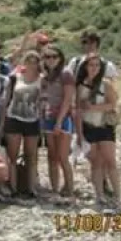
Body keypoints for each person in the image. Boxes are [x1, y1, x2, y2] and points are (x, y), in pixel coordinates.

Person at [75, 53, 121, 206]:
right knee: (96, 162)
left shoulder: (105, 84)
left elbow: (112, 104)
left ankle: (117, 195)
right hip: (88, 126)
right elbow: (78, 111)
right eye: (91, 65)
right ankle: (99, 195)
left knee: (110, 160)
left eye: (97, 65)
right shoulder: (80, 87)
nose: (94, 68)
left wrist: (93, 107)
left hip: (104, 126)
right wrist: (79, 134)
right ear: (85, 67)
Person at [0, 51, 43, 198]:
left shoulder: (42, 79)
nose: (31, 64)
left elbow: (43, 101)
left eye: (35, 61)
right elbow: (6, 100)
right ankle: (13, 188)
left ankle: (31, 188)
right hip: (13, 118)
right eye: (28, 60)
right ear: (24, 62)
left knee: (31, 156)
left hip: (33, 120)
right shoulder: (14, 78)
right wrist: (2, 123)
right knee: (12, 156)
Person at [41, 45, 75, 198]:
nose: (51, 60)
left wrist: (59, 121)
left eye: (54, 56)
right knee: (51, 156)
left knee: (62, 156)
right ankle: (54, 189)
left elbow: (67, 99)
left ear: (60, 58)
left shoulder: (66, 74)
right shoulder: (46, 76)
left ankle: (69, 189)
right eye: (47, 57)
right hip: (49, 117)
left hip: (63, 118)